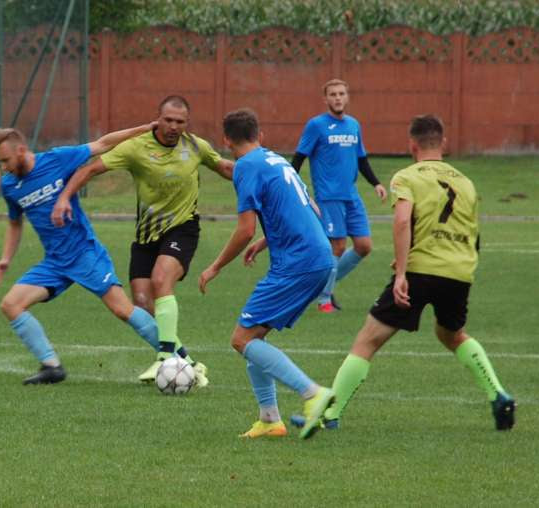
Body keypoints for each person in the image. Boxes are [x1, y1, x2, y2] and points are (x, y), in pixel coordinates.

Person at [321, 114, 515, 431]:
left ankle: (329, 414)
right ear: (444, 144)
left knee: (367, 341)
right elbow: (473, 234)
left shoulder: (407, 177)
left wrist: (401, 273)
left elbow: (401, 221)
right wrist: (462, 269)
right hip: (459, 271)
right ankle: (498, 393)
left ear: (412, 145)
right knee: (450, 334)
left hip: (421, 270)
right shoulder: (466, 182)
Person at [52, 95, 234, 387]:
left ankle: (164, 359)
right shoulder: (136, 148)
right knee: (142, 303)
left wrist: (260, 175)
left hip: (183, 228)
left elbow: (224, 167)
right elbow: (89, 170)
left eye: (180, 122)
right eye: (169, 120)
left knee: (162, 280)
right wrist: (63, 198)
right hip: (146, 235)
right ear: (158, 118)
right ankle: (188, 363)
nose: (174, 126)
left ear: (187, 123)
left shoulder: (195, 146)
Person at [198, 108, 336, 440]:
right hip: (318, 256)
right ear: (260, 135)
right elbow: (311, 207)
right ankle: (270, 419)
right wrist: (267, 241)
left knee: (241, 339)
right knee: (253, 336)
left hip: (298, 262)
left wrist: (215, 266)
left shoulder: (245, 167)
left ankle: (312, 393)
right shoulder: (276, 159)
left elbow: (244, 229)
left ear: (226, 140)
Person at [0, 124, 164, 385]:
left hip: (85, 253)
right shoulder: (10, 186)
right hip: (55, 263)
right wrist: (6, 258)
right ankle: (51, 366)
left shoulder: (57, 159)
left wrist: (147, 128)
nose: (3, 167)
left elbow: (103, 144)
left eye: (5, 160)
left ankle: (179, 356)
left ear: (21, 150)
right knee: (11, 305)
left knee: (122, 309)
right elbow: (15, 223)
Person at [292, 79, 387, 313]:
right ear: (325, 99)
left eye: (341, 93)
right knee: (337, 245)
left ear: (347, 97)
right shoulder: (316, 125)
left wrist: (376, 183)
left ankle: (325, 286)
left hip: (351, 195)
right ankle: (324, 300)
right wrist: (291, 187)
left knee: (364, 246)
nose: (337, 97)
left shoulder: (354, 125)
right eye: (332, 94)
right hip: (328, 195)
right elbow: (299, 157)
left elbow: (361, 159)